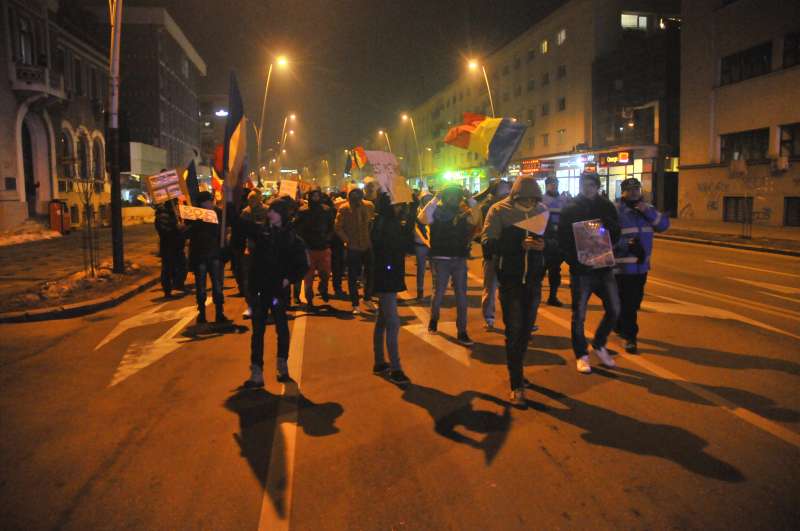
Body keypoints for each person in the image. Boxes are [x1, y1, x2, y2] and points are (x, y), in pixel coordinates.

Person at [482, 176, 548, 406]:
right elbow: (487, 243)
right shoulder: (499, 210)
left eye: (533, 200)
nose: (530, 204)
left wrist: (545, 245)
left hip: (534, 280)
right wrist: (517, 244)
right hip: (510, 280)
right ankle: (516, 384)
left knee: (526, 332)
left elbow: (554, 240)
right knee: (513, 331)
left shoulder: (542, 210)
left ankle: (518, 369)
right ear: (516, 196)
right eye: (525, 200)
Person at [239, 198, 309, 387]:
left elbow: (303, 264)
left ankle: (282, 364)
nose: (270, 214)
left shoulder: (292, 238)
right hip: (259, 290)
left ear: (282, 214)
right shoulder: (262, 233)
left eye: (275, 211)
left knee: (281, 328)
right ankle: (256, 371)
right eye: (270, 210)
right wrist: (230, 197)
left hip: (277, 292)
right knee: (258, 331)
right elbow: (241, 225)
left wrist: (288, 279)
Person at [558, 173, 621, 373]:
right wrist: (573, 260)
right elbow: (562, 238)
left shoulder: (606, 206)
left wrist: (609, 226)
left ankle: (599, 343)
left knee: (614, 309)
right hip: (581, 269)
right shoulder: (571, 208)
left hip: (603, 266)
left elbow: (617, 232)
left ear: (597, 186)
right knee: (579, 314)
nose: (587, 188)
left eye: (591, 185)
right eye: (584, 185)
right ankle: (581, 354)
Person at [418, 183, 481, 346]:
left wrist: (470, 198)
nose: (453, 198)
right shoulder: (436, 211)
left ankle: (462, 331)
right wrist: (435, 198)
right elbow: (423, 218)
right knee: (439, 292)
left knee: (462, 296)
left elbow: (476, 218)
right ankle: (434, 319)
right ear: (445, 197)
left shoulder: (463, 213)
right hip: (441, 259)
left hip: (459, 258)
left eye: (456, 195)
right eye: (450, 194)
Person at [613, 177, 670, 353]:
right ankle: (630, 338)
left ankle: (618, 323)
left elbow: (663, 225)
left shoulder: (647, 209)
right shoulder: (615, 211)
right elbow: (603, 235)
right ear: (623, 192)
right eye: (629, 190)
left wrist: (647, 211)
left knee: (634, 302)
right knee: (629, 304)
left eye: (636, 190)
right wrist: (626, 245)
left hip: (642, 267)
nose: (633, 193)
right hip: (623, 267)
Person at [371, 191, 411, 384]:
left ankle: (379, 361)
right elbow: (384, 248)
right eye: (397, 204)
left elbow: (405, 244)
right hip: (385, 276)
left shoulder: (389, 221)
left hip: (389, 274)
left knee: (382, 320)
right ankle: (396, 368)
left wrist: (410, 215)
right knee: (393, 323)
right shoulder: (382, 223)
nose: (400, 207)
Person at [184, 191, 228, 324]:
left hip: (215, 255)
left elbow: (223, 231)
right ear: (201, 203)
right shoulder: (194, 215)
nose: (210, 203)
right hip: (200, 256)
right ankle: (202, 313)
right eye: (207, 201)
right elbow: (187, 233)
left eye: (211, 200)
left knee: (217, 286)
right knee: (201, 287)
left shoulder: (218, 213)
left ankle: (219, 312)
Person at [335, 187, 375, 314]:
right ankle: (355, 303)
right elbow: (338, 227)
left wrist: (370, 236)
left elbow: (372, 222)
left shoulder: (369, 206)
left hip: (367, 245)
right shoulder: (344, 208)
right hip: (353, 247)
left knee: (370, 273)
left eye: (358, 195)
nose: (356, 198)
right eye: (354, 195)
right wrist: (347, 240)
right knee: (352, 276)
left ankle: (367, 298)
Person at [295, 187, 335, 309]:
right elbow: (297, 227)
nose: (315, 198)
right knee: (308, 276)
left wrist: (327, 238)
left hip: (323, 247)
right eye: (313, 196)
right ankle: (309, 299)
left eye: (317, 195)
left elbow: (331, 226)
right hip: (308, 249)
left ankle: (323, 288)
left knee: (325, 274)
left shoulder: (326, 210)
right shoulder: (303, 211)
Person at [478, 180, 511, 329]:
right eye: (503, 190)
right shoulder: (487, 207)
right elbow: (485, 234)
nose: (507, 193)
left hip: (509, 254)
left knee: (510, 289)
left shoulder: (512, 207)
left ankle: (514, 320)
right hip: (492, 254)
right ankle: (489, 317)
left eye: (508, 190)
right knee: (490, 288)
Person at [239, 190, 269, 319]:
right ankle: (251, 306)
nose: (251, 201)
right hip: (250, 250)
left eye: (254, 198)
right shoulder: (245, 213)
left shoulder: (267, 211)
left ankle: (266, 306)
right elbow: (241, 232)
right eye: (250, 199)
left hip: (265, 250)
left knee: (266, 279)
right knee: (249, 281)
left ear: (260, 198)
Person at [541, 176, 569, 307]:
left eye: (555, 183)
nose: (554, 186)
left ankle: (552, 296)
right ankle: (536, 295)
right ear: (546, 185)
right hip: (545, 237)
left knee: (555, 270)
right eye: (551, 184)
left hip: (559, 238)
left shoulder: (564, 200)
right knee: (540, 269)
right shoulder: (541, 200)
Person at [154, 199, 186, 298]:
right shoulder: (162, 215)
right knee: (167, 269)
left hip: (178, 246)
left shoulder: (175, 214)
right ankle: (167, 291)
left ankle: (178, 284)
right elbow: (164, 231)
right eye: (175, 204)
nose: (177, 206)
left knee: (182, 266)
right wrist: (176, 228)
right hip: (168, 246)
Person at [412, 191, 434, 301]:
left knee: (434, 270)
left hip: (433, 244)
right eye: (426, 198)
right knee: (421, 269)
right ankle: (420, 292)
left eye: (430, 198)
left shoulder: (435, 211)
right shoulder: (417, 212)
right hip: (420, 244)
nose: (428, 200)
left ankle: (435, 292)